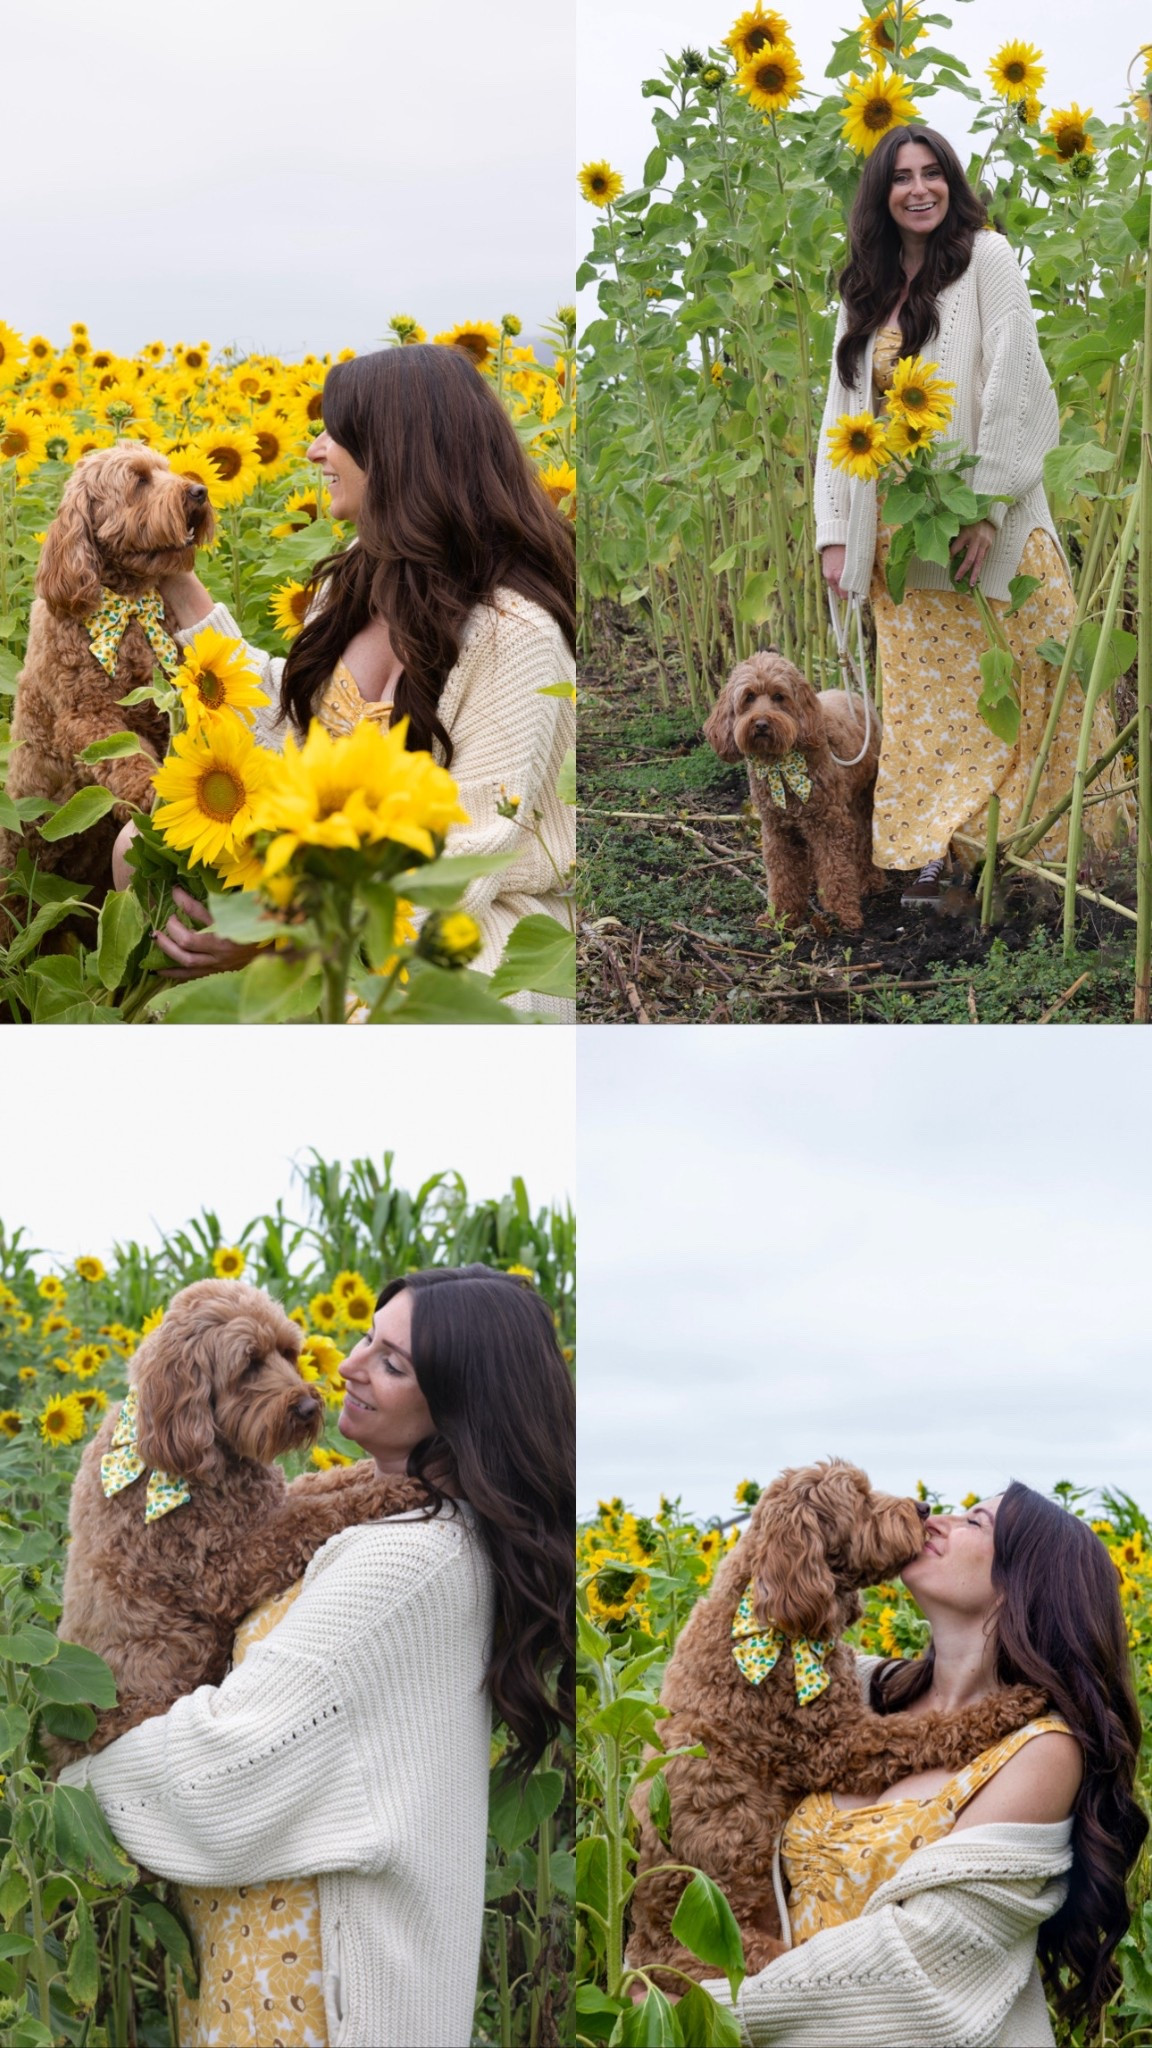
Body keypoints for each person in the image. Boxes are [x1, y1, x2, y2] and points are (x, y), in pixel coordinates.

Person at [59, 1265, 576, 2048]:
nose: (336, 1371)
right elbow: (271, 1531)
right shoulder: (405, 1530)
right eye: (367, 1336)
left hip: (310, 2005)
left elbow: (229, 1768)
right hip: (256, 1980)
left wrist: (72, 1795)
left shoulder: (403, 1567)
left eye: (393, 1362)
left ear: (462, 1399)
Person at [114, 343, 576, 1014]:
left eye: (337, 433)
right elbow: (296, 724)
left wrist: (280, 936)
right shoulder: (368, 572)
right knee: (140, 845)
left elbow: (462, 860)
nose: (312, 450)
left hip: (466, 924)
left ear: (397, 449)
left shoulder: (515, 634)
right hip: (340, 873)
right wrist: (179, 583)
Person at [698, 1484, 1145, 2047]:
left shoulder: (1041, 1751)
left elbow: (920, 1962)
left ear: (1027, 1583)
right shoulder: (854, 1689)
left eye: (976, 1522)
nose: (935, 1519)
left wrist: (700, 2011)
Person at [815, 126, 1129, 907]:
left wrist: (985, 506)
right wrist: (836, 533)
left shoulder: (987, 260)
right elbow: (837, 416)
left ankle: (1049, 857)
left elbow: (1014, 384)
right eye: (901, 177)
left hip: (990, 518)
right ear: (880, 196)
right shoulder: (863, 291)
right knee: (931, 701)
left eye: (933, 174)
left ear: (952, 183)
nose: (919, 189)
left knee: (1030, 674)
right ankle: (940, 857)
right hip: (899, 526)